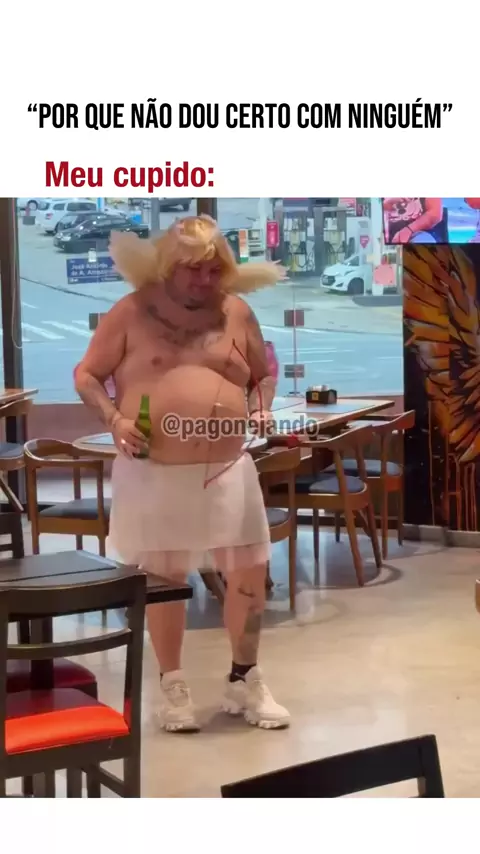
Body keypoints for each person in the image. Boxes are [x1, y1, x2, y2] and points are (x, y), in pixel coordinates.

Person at [74, 215, 290, 732]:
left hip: (228, 468)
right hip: (155, 471)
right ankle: (173, 685)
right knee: (164, 580)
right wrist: (115, 420)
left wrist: (261, 407)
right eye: (193, 270)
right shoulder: (130, 312)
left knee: (249, 573)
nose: (204, 280)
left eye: (214, 270)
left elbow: (262, 376)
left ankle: (245, 677)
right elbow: (87, 375)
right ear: (168, 266)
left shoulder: (237, 312)